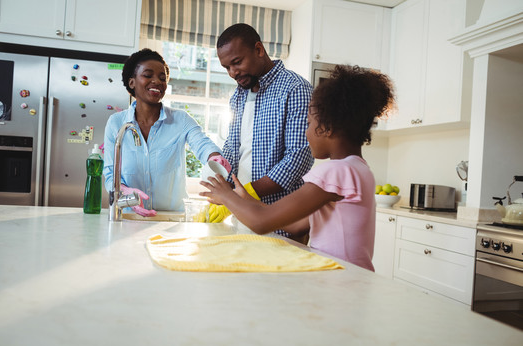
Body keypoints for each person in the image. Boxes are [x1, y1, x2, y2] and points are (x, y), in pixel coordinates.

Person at [200, 64, 395, 271]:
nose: (306, 133)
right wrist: (244, 198)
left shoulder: (335, 173)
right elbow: (295, 224)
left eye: (309, 124)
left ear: (327, 128)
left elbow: (261, 223)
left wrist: (226, 196)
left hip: (340, 282)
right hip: (351, 277)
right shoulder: (359, 169)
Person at [209, 23, 314, 230]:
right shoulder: (238, 96)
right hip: (242, 216)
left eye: (237, 62)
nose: (232, 72)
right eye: (227, 68)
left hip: (282, 220)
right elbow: (233, 147)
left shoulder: (295, 89)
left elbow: (298, 157)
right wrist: (226, 189)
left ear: (258, 50)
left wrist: (246, 194)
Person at [103, 48, 230, 216]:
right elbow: (111, 173)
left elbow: (203, 144)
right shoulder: (117, 123)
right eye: (148, 75)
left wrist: (215, 158)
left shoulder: (181, 120)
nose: (157, 81)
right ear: (132, 82)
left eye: (162, 78)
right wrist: (126, 193)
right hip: (129, 216)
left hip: (172, 219)